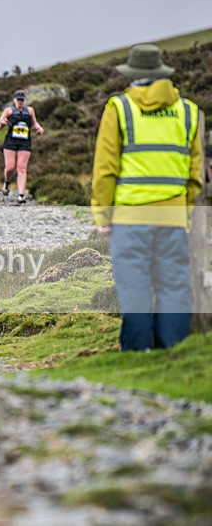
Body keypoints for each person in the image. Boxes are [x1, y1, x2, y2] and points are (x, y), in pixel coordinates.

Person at [91, 43, 203, 351]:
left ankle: (137, 354)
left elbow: (105, 169)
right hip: (172, 219)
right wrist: (187, 215)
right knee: (174, 288)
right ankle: (175, 353)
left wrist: (103, 214)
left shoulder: (120, 108)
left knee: (135, 289)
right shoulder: (189, 112)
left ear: (134, 77)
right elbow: (195, 176)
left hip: (130, 218)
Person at [0, 90, 45, 203]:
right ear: (14, 100)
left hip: (25, 142)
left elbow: (34, 123)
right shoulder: (8, 111)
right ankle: (7, 182)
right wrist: (1, 124)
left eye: (22, 100)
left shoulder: (30, 111)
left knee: (21, 168)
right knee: (10, 168)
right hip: (10, 142)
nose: (20, 102)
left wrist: (38, 128)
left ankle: (21, 195)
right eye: (18, 99)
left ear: (24, 101)